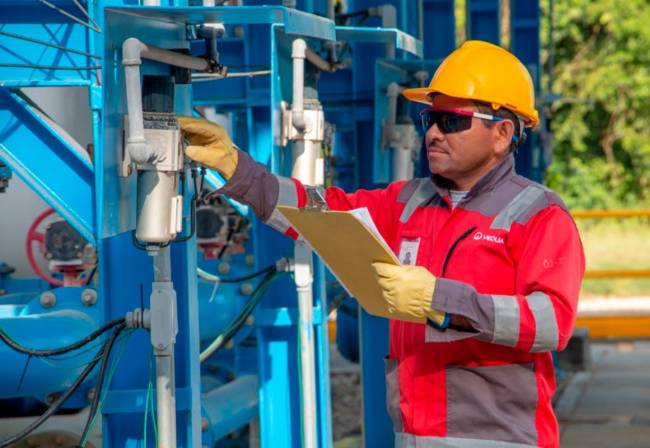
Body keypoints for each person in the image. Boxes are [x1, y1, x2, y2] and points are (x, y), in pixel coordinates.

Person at [179, 40, 585, 448]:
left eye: (452, 120)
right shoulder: (407, 203)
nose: (433, 133)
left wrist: (439, 300)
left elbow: (551, 321)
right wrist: (238, 168)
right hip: (411, 437)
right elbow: (320, 214)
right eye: (429, 118)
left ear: (502, 133)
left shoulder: (538, 215)